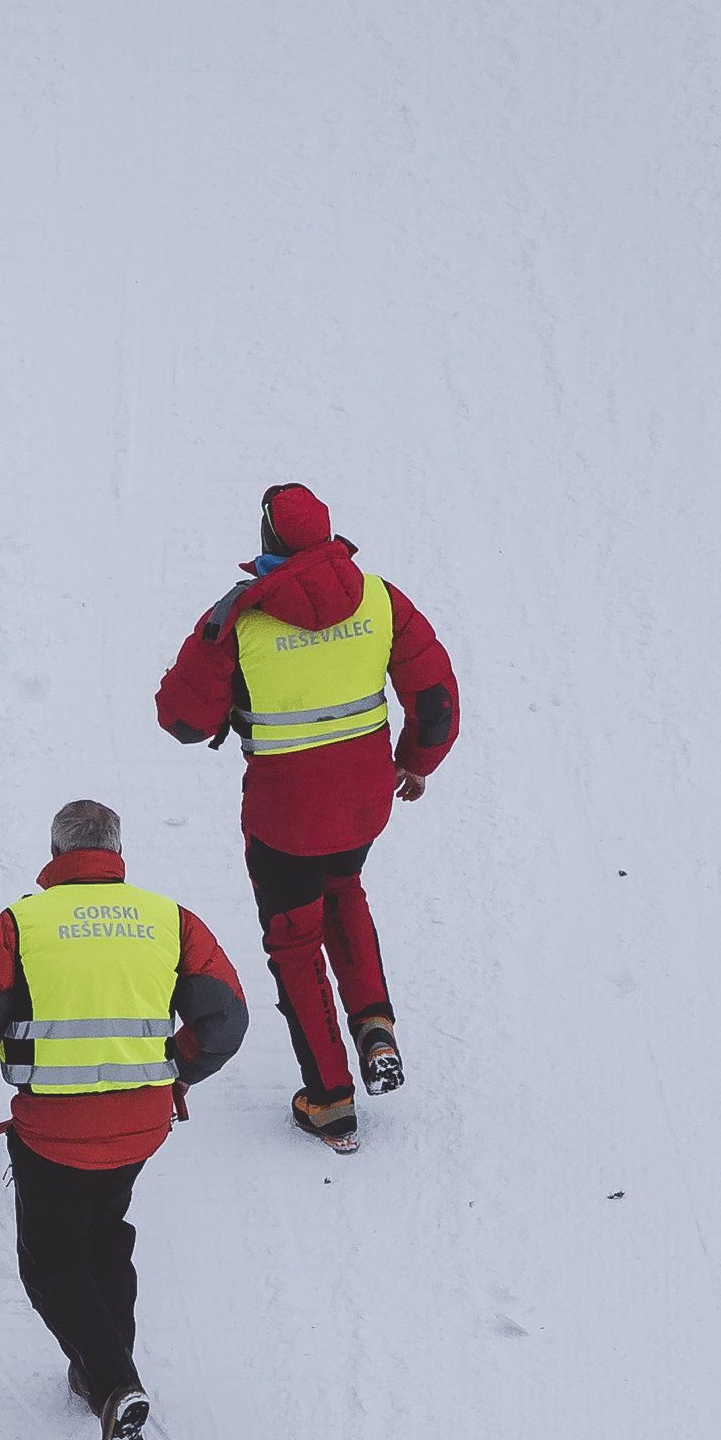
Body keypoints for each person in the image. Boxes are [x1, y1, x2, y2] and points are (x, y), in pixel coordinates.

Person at [0, 800, 247, 1440]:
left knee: (51, 1261)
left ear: (54, 848)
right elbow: (228, 1020)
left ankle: (113, 1382)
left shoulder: (17, 927)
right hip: (140, 1127)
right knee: (105, 1231)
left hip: (53, 1133)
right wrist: (176, 1069)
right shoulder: (171, 920)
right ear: (117, 848)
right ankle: (99, 1370)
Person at [153, 482, 459, 1150]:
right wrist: (416, 761)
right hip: (362, 807)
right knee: (343, 890)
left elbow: (179, 718)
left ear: (265, 541)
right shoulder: (381, 598)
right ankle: (374, 1028)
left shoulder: (239, 619)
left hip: (284, 821)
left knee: (295, 942)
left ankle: (330, 1098)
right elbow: (434, 694)